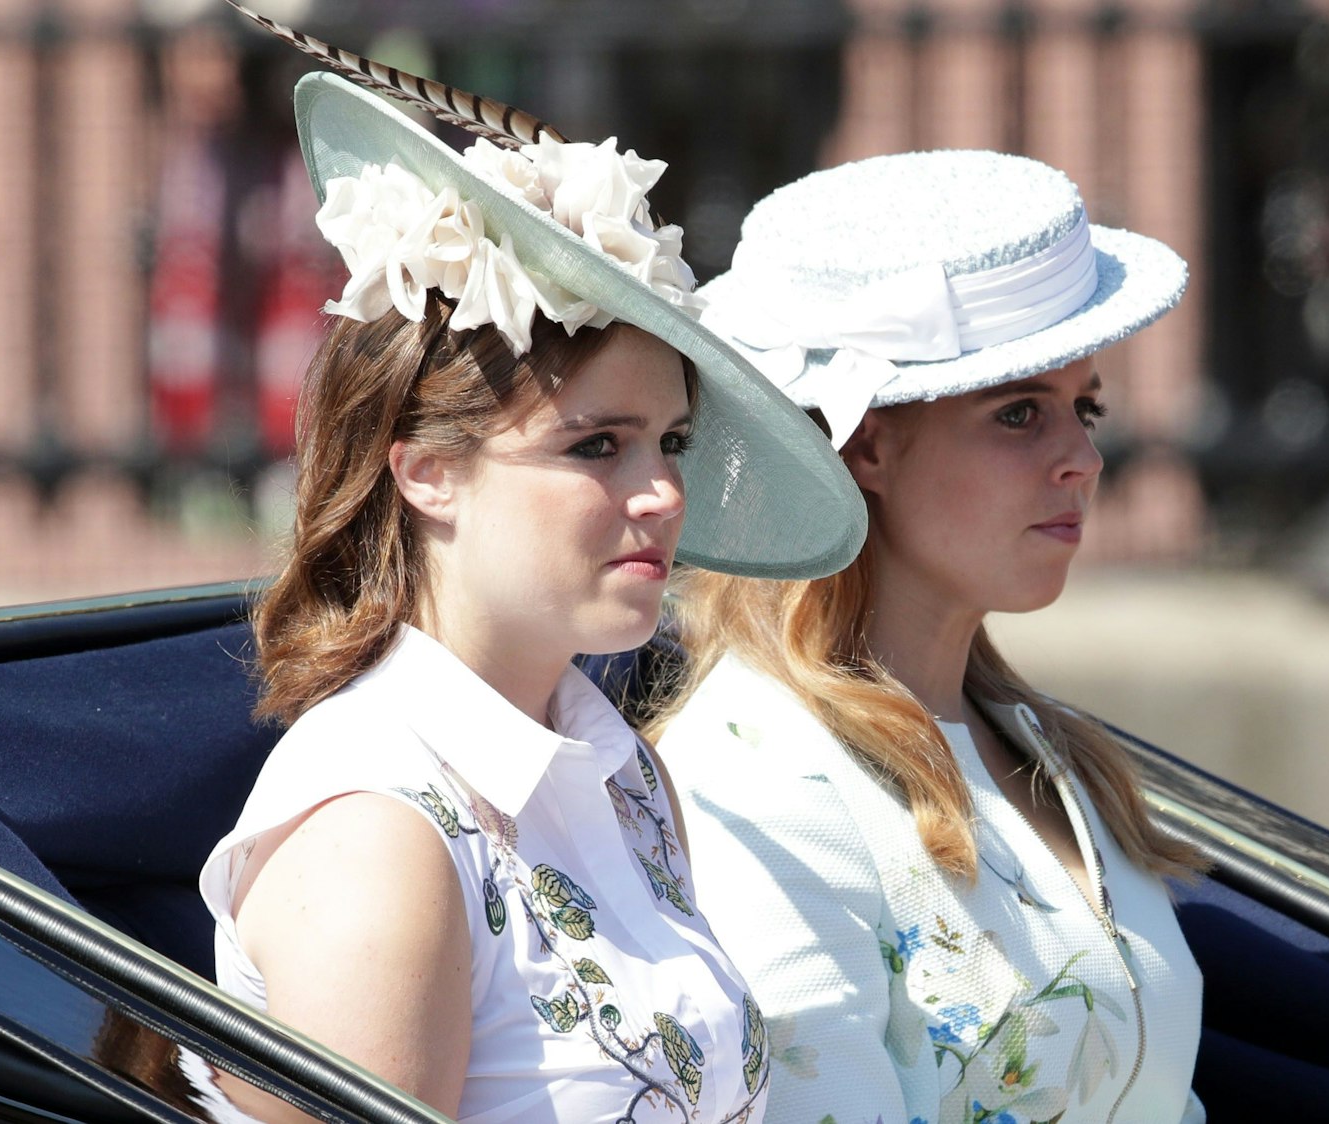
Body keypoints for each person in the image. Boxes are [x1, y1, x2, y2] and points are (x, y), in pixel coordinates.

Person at [197, 13, 867, 1123]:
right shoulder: (376, 830)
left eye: (670, 442)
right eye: (595, 445)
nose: (660, 492)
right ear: (426, 473)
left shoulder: (623, 773)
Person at [653, 151, 1209, 1123]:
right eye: (1019, 412)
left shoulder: (1053, 749)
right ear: (869, 443)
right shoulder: (756, 780)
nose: (1081, 456)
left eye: (1086, 406)